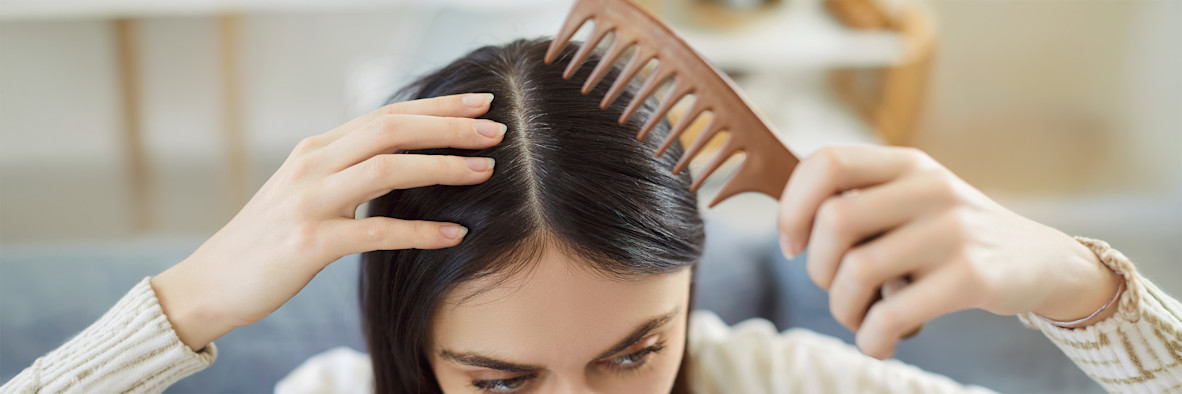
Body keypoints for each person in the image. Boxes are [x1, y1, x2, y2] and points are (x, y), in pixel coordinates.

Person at [3, 39, 1180, 394]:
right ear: (415, 347)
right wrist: (183, 305)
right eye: (504, 385)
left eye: (632, 352)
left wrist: (1086, 286)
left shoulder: (777, 382)